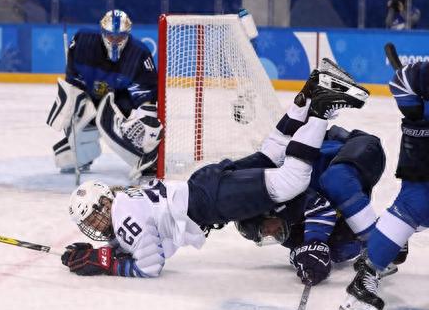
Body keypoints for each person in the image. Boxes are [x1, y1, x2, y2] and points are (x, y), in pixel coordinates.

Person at [60, 63, 371, 277]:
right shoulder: (126, 202)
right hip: (204, 184)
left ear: (105, 202)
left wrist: (105, 263)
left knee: (292, 180)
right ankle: (309, 93)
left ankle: (320, 110)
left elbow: (150, 265)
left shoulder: (122, 214)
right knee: (271, 151)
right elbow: (141, 239)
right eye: (91, 220)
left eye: (94, 213)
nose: (97, 223)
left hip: (209, 201)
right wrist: (101, 252)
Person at [234, 126, 406, 286]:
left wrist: (313, 242)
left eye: (265, 229)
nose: (271, 235)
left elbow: (320, 208)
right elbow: (306, 250)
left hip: (354, 147)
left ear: (266, 212)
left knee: (336, 180)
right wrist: (308, 262)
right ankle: (391, 230)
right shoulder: (286, 232)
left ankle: (378, 241)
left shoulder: (278, 193)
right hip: (350, 181)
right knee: (338, 250)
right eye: (264, 236)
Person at [340, 60, 429, 310]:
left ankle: (384, 249)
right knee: (416, 204)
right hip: (424, 150)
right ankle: (366, 275)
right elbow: (401, 81)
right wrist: (416, 116)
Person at [46, 9, 161, 179]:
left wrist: (145, 129)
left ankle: (140, 155)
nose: (115, 41)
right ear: (102, 32)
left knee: (121, 126)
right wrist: (72, 105)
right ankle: (85, 153)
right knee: (65, 159)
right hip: (91, 99)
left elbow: (147, 100)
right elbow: (75, 82)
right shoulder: (82, 43)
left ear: (127, 34)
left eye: (120, 36)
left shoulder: (139, 55)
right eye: (110, 36)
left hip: (121, 103)